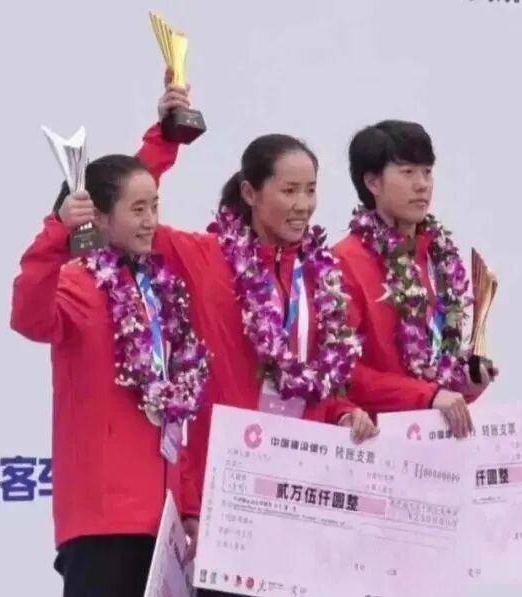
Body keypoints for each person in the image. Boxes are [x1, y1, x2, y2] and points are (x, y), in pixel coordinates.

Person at [142, 130, 379, 596]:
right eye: (289, 191)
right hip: (227, 505)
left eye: (310, 190)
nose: (303, 205)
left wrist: (344, 412)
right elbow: (128, 208)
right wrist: (164, 140)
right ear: (250, 193)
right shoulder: (206, 258)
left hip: (302, 504)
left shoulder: (321, 276)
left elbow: (315, 388)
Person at [9, 83, 203, 597]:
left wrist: (186, 504)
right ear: (97, 217)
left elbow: (172, 414)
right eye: (139, 210)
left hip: (162, 526)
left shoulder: (157, 289)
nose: (150, 221)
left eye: (155, 207)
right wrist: (57, 233)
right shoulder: (77, 283)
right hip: (102, 524)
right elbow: (28, 317)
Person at [333, 119, 498, 439]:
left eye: (427, 172)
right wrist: (428, 395)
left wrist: (465, 383)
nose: (422, 184)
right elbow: (341, 373)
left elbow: (435, 373)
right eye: (408, 172)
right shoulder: (344, 261)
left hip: (433, 443)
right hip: (371, 444)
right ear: (373, 182)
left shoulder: (439, 260)